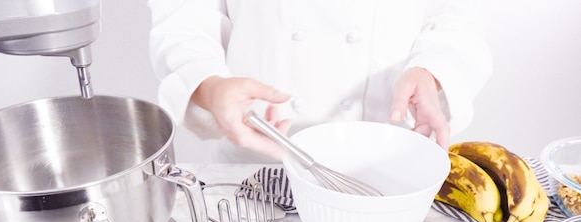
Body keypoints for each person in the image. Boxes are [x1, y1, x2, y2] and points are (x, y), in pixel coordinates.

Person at [147, 1, 492, 163]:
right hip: (257, 164)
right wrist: (207, 83)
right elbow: (184, 13)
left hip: (388, 162)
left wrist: (431, 71)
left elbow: (457, 17)